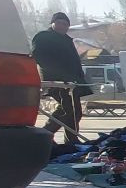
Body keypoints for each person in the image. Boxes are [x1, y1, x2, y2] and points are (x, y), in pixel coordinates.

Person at [31, 12, 86, 144]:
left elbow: (74, 62)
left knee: (75, 111)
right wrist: (57, 74)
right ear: (52, 23)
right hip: (56, 81)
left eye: (66, 24)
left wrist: (79, 79)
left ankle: (71, 139)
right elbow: (38, 56)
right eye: (60, 23)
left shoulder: (67, 40)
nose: (63, 26)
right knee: (66, 109)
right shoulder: (44, 37)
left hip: (71, 82)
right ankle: (45, 135)